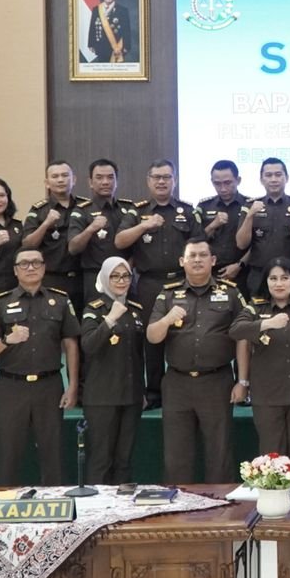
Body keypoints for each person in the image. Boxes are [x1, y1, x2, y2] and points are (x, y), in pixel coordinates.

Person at [146, 236, 246, 483]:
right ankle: (181, 503)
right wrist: (167, 319)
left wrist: (242, 381)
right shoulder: (168, 294)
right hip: (177, 383)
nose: (198, 260)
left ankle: (221, 505)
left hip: (217, 381)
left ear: (213, 260)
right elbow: (152, 336)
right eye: (192, 255)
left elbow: (244, 338)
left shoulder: (231, 293)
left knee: (219, 452)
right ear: (182, 261)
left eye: (203, 255)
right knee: (176, 455)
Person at [0, 248, 80, 486]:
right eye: (24, 264)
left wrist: (73, 385)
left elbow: (71, 344)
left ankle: (54, 505)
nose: (31, 267)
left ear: (44, 267)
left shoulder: (60, 301)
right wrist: (7, 340)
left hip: (49, 385)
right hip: (11, 387)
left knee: (52, 454)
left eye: (36, 262)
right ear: (15, 271)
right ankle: (5, 505)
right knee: (8, 454)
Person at [120, 159, 200, 410]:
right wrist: (144, 225)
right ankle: (154, 392)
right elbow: (120, 241)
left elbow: (200, 246)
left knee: (186, 336)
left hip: (182, 283)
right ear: (148, 181)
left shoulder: (188, 211)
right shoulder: (136, 212)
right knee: (151, 339)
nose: (162, 181)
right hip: (149, 284)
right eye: (157, 177)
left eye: (167, 177)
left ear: (174, 180)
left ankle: (185, 391)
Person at [230, 258, 290, 461]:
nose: (279, 283)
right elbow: (235, 330)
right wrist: (266, 324)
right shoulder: (256, 308)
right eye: (273, 278)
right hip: (267, 395)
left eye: (284, 278)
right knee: (271, 455)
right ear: (266, 281)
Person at [81, 257, 146, 484]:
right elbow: (88, 345)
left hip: (130, 395)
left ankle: (123, 504)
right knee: (101, 460)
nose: (121, 281)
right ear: (105, 278)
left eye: (125, 275)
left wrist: (141, 390)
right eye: (115, 276)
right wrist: (109, 319)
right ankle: (98, 504)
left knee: (124, 460)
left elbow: (138, 355)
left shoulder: (135, 309)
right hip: (102, 396)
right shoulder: (93, 309)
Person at [68, 159, 138, 306]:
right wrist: (90, 229)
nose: (105, 182)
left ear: (117, 181)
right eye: (99, 178)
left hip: (125, 277)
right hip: (95, 277)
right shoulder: (82, 210)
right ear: (90, 182)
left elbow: (140, 246)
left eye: (110, 177)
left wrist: (128, 267)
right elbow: (73, 248)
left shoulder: (129, 209)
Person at [235, 157, 290, 301]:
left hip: (289, 274)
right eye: (268, 175)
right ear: (261, 179)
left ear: (287, 178)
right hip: (258, 275)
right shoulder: (250, 206)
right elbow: (241, 244)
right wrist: (250, 216)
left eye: (278, 175)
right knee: (258, 313)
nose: (273, 179)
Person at [22, 160, 85, 300]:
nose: (60, 180)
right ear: (47, 183)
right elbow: (27, 245)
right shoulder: (39, 210)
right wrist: (45, 224)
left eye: (65, 175)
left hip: (83, 278)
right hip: (52, 279)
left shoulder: (85, 207)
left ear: (74, 180)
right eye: (55, 176)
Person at [197, 159, 250, 285]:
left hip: (242, 272)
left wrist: (240, 265)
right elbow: (196, 240)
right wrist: (212, 225)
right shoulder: (204, 206)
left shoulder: (249, 205)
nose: (223, 188)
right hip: (210, 274)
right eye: (217, 184)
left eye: (227, 183)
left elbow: (258, 244)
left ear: (238, 180)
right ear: (212, 182)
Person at [86, 0, 134, 64]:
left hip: (117, 47)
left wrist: (126, 46)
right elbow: (92, 28)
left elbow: (127, 30)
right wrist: (90, 44)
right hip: (100, 46)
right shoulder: (96, 9)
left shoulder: (122, 10)